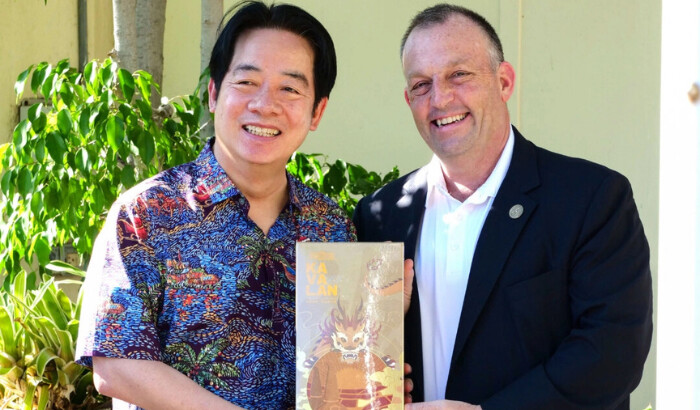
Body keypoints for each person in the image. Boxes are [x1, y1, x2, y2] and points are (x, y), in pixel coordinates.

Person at [353, 4, 653, 409]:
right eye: (422, 84)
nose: (440, 98)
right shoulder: (381, 214)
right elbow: (356, 352)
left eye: (460, 75)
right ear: (409, 100)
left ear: (504, 81)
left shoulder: (592, 199)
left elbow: (612, 353)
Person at [75, 2, 355, 409]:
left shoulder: (330, 226)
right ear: (213, 93)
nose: (265, 104)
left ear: (317, 112)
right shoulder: (148, 212)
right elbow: (115, 363)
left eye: (290, 88)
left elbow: (339, 370)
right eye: (246, 82)